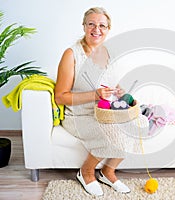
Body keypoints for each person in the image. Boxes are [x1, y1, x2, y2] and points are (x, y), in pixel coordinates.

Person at [54, 7, 148, 196]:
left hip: (105, 111)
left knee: (141, 124)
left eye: (102, 25)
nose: (96, 29)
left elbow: (109, 84)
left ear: (108, 29)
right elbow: (60, 96)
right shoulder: (72, 54)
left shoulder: (108, 53)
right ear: (84, 26)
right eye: (92, 24)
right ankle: (86, 172)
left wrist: (119, 91)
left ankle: (107, 172)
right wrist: (94, 95)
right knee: (113, 134)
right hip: (79, 115)